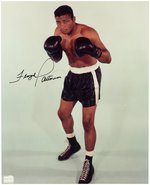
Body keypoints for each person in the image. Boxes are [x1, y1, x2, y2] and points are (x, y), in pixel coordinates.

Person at [44, 5, 111, 184]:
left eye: (66, 21)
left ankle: (88, 162)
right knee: (62, 114)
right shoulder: (58, 32)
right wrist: (53, 52)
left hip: (90, 77)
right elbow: (58, 59)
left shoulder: (88, 32)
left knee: (87, 122)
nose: (62, 25)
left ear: (73, 18)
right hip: (72, 75)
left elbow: (108, 58)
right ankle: (73, 144)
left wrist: (93, 51)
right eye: (58, 22)